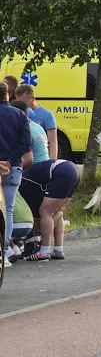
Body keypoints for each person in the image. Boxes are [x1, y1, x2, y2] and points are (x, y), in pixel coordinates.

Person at [19, 159, 80, 261]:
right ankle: (58, 250)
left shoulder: (22, 185)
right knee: (57, 212)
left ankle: (44, 251)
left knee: (45, 212)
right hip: (72, 170)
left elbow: (35, 221)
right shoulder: (27, 177)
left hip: (61, 172)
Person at [0, 82, 32, 268]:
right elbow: (25, 143)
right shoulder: (19, 115)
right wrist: (9, 162)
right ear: (7, 96)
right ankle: (4, 252)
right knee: (8, 210)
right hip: (13, 168)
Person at [14, 84, 58, 160]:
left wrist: (52, 162)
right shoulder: (18, 113)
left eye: (24, 102)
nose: (21, 105)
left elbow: (53, 142)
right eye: (18, 102)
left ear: (33, 99)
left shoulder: (47, 115)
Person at [11, 100, 50, 167]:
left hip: (35, 169)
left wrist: (10, 167)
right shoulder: (38, 127)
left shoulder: (25, 130)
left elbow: (28, 159)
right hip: (47, 166)